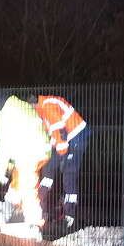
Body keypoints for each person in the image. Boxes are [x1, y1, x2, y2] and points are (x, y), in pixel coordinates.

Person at [29, 94, 89, 235]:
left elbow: (60, 132)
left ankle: (69, 217)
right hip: (65, 139)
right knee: (48, 170)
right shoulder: (42, 111)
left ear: (33, 105)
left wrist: (62, 156)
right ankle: (39, 208)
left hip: (76, 137)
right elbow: (51, 135)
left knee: (68, 176)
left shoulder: (48, 106)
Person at [0, 95, 50, 226]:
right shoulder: (20, 105)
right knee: (18, 177)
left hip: (30, 151)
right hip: (41, 148)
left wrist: (1, 172)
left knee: (27, 184)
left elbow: (3, 145)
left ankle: (34, 221)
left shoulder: (4, 115)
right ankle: (10, 206)